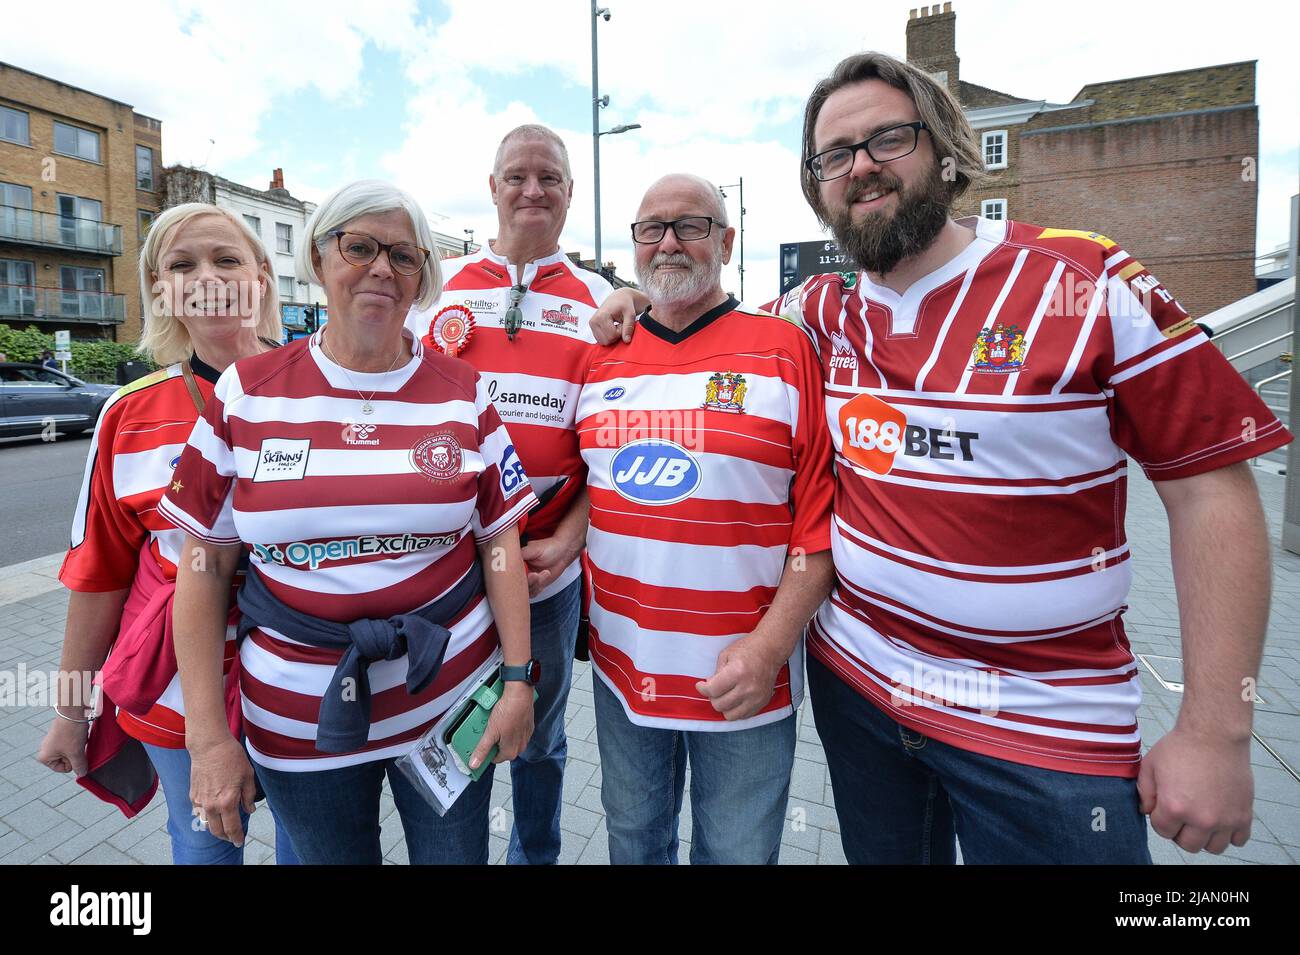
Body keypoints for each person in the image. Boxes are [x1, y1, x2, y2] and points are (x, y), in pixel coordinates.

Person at [592, 52, 1291, 864]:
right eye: (834, 155)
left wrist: (1214, 728)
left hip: (1045, 733)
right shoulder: (818, 312)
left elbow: (1211, 487)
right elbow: (704, 318)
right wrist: (640, 298)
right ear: (818, 185)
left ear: (947, 149)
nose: (861, 167)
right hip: (863, 705)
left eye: (889, 138)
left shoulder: (1086, 277)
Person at [158, 180, 538, 865]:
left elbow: (500, 543)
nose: (381, 268)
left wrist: (517, 678)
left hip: (449, 704)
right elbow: (203, 566)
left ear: (423, 278)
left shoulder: (465, 391)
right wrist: (208, 739)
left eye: (403, 254)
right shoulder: (248, 391)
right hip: (297, 718)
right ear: (318, 256)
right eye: (359, 246)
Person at [577, 174, 834, 864]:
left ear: (725, 240)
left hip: (744, 680)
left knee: (736, 855)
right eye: (650, 228)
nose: (668, 241)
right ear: (632, 246)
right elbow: (586, 492)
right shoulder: (599, 358)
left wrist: (771, 647)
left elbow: (818, 529)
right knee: (634, 843)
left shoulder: (784, 350)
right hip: (621, 672)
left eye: (690, 224)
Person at [37, 202, 298, 864]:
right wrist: (71, 710)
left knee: (315, 847)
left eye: (227, 259)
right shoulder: (126, 414)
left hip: (309, 679)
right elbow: (99, 575)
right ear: (161, 287)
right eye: (182, 264)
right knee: (204, 844)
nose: (206, 276)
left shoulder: (325, 386)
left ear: (262, 277)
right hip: (181, 689)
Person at [405, 125, 613, 864]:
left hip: (545, 573)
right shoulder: (435, 294)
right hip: (446, 576)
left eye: (549, 178)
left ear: (569, 195)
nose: (533, 190)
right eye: (517, 176)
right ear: (491, 187)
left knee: (542, 739)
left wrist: (574, 537)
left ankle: (536, 856)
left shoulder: (603, 302)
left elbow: (612, 451)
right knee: (448, 728)